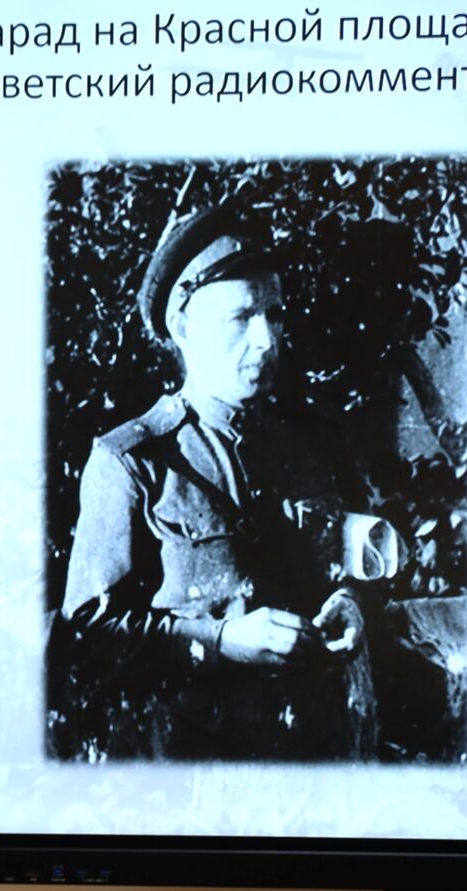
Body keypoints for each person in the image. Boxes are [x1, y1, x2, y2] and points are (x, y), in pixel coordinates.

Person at [57, 201, 376, 763]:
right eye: (241, 317)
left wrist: (353, 601)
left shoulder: (315, 444)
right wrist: (223, 641)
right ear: (183, 328)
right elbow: (89, 634)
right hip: (192, 768)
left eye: (274, 315)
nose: (267, 339)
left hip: (317, 758)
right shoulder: (133, 460)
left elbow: (365, 561)